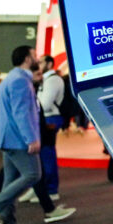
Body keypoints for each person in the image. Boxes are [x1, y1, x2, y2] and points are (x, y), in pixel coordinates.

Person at [0, 45, 42, 224]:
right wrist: (31, 138)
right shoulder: (19, 81)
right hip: (17, 139)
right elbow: (21, 113)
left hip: (7, 139)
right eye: (34, 55)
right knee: (33, 174)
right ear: (27, 59)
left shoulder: (10, 78)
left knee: (10, 181)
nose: (37, 57)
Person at [35, 54, 64, 199]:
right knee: (42, 155)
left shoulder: (53, 80)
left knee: (47, 155)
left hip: (50, 119)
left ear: (50, 63)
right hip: (45, 118)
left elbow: (45, 105)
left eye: (41, 62)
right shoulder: (45, 80)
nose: (38, 64)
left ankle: (51, 190)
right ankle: (42, 189)